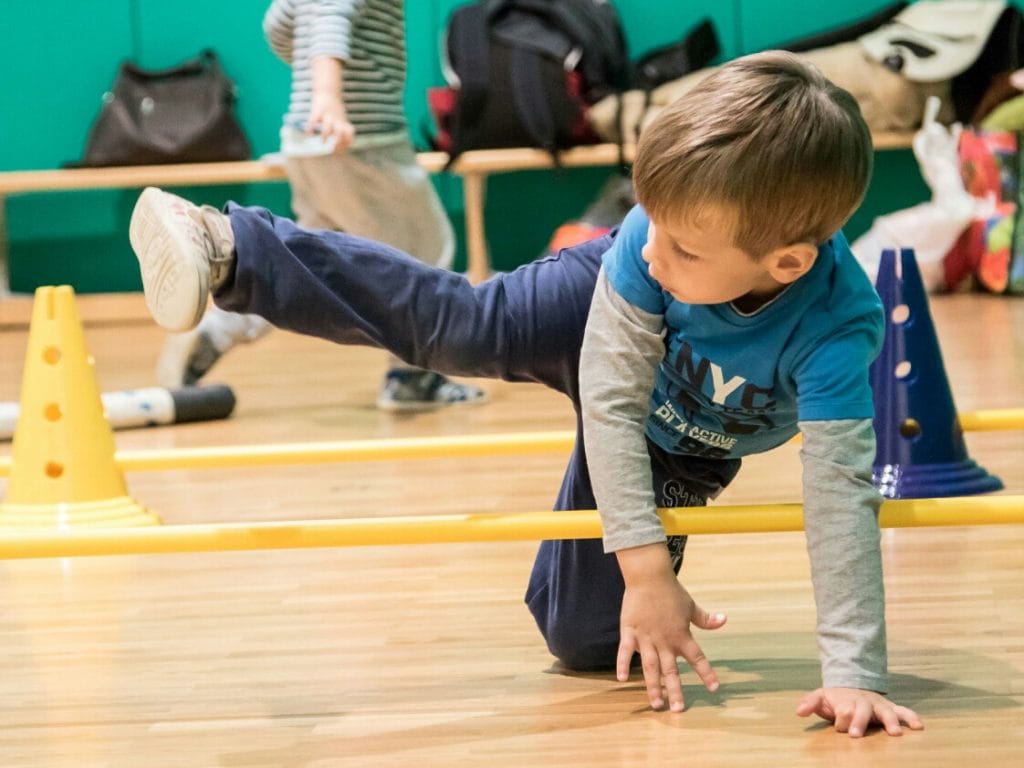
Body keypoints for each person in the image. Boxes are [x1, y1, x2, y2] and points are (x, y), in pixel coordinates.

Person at [127, 51, 923, 738]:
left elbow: (840, 496)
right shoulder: (645, 251)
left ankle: (608, 577)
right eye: (651, 220)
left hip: (680, 437)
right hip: (609, 329)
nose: (655, 249)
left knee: (583, 643)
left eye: (682, 244)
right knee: (465, 326)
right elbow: (610, 398)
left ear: (785, 263)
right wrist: (648, 572)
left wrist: (855, 672)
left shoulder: (834, 330)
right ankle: (233, 248)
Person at [155, 0, 486, 412]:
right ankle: (411, 378)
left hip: (307, 144)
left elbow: (278, 26)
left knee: (300, 264)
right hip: (361, 144)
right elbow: (332, 19)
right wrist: (328, 98)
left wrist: (314, 84)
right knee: (424, 250)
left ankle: (220, 328)